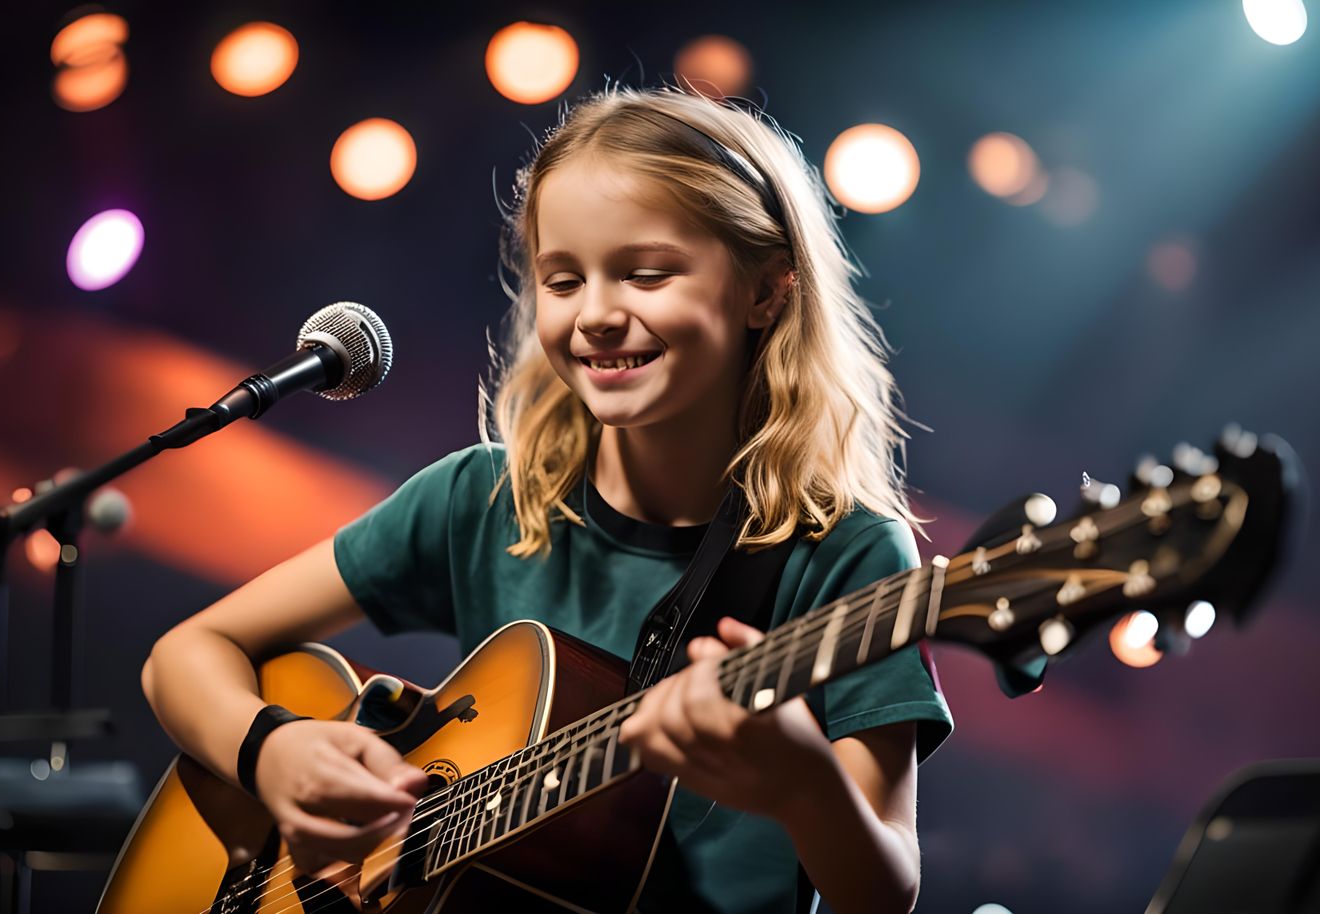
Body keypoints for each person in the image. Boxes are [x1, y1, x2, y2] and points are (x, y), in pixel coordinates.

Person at [142, 85, 952, 914]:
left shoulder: (849, 551)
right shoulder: (481, 499)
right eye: (563, 280)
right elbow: (186, 653)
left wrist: (805, 783)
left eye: (645, 273)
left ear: (766, 290)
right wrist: (272, 752)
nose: (596, 314)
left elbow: (884, 893)